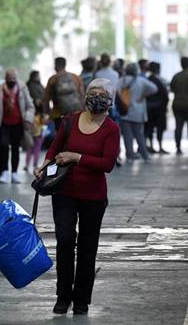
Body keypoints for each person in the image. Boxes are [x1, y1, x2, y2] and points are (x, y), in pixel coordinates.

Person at [34, 78, 120, 316]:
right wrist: (44, 166)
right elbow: (54, 147)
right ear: (85, 96)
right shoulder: (70, 120)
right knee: (64, 241)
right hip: (64, 192)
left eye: (101, 94)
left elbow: (108, 163)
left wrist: (76, 157)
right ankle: (63, 296)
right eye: (92, 93)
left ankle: (81, 300)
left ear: (110, 100)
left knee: (87, 247)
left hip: (93, 196)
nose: (96, 98)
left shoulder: (111, 128)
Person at [0, 68, 34, 184]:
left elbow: (30, 106)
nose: (12, 80)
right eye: (9, 78)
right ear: (5, 79)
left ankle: (14, 173)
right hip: (3, 124)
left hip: (18, 124)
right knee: (3, 146)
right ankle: (4, 171)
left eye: (14, 78)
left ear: (17, 78)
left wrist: (28, 119)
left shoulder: (23, 88)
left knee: (15, 148)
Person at [118, 63, 157, 162]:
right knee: (140, 135)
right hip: (137, 112)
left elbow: (116, 93)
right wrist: (144, 95)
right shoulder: (141, 81)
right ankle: (145, 156)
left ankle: (130, 156)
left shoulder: (121, 80)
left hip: (124, 112)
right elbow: (154, 89)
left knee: (127, 136)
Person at [43, 57, 84, 130]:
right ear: (65, 65)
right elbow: (82, 95)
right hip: (75, 114)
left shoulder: (52, 79)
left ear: (55, 66)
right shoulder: (75, 77)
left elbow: (46, 99)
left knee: (61, 139)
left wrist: (49, 114)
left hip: (58, 115)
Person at [145, 62, 169, 154]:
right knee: (160, 128)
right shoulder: (162, 80)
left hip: (149, 108)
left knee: (150, 127)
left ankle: (151, 145)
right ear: (158, 69)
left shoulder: (147, 80)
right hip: (160, 108)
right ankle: (160, 147)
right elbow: (165, 95)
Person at [24, 102, 46, 174]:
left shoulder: (30, 115)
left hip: (30, 135)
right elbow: (44, 123)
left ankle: (27, 165)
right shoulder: (41, 116)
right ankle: (35, 164)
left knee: (29, 150)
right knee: (37, 150)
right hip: (39, 135)